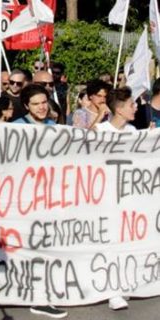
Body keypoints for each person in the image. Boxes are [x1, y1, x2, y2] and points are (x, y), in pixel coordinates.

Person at [12, 85, 67, 318]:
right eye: (36, 103)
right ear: (26, 106)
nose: (42, 107)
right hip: (22, 201)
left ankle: (41, 296)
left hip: (49, 200)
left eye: (44, 102)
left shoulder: (55, 128)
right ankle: (35, 296)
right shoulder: (14, 129)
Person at [94, 87, 136, 310]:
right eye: (132, 105)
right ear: (119, 110)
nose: (136, 108)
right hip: (104, 197)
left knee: (125, 241)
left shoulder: (133, 132)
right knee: (109, 243)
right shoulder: (101, 130)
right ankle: (112, 290)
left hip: (128, 196)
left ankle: (122, 282)